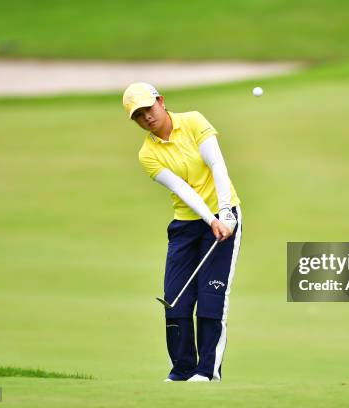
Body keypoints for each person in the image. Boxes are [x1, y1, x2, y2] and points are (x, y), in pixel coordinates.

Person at [122, 82, 242, 382]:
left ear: (161, 101)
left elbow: (217, 165)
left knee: (211, 297)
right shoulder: (147, 154)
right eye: (138, 115)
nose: (146, 117)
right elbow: (181, 189)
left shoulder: (193, 121)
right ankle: (182, 370)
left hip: (224, 215)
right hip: (187, 224)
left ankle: (206, 371)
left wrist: (224, 214)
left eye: (148, 109)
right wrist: (207, 219)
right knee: (175, 300)